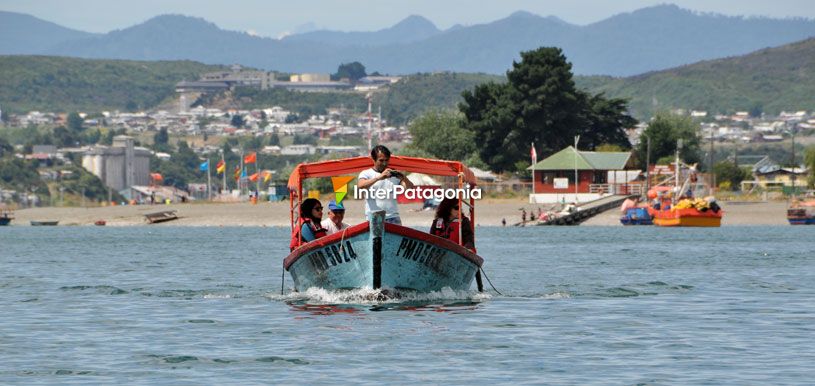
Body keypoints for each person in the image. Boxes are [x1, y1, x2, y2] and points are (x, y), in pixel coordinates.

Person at [357, 145, 415, 225]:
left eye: (386, 160)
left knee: (397, 238)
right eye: (381, 160)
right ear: (373, 159)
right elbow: (360, 185)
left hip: (393, 217)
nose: (384, 163)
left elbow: (410, 188)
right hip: (374, 217)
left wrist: (404, 177)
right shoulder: (366, 173)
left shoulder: (393, 173)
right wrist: (379, 177)